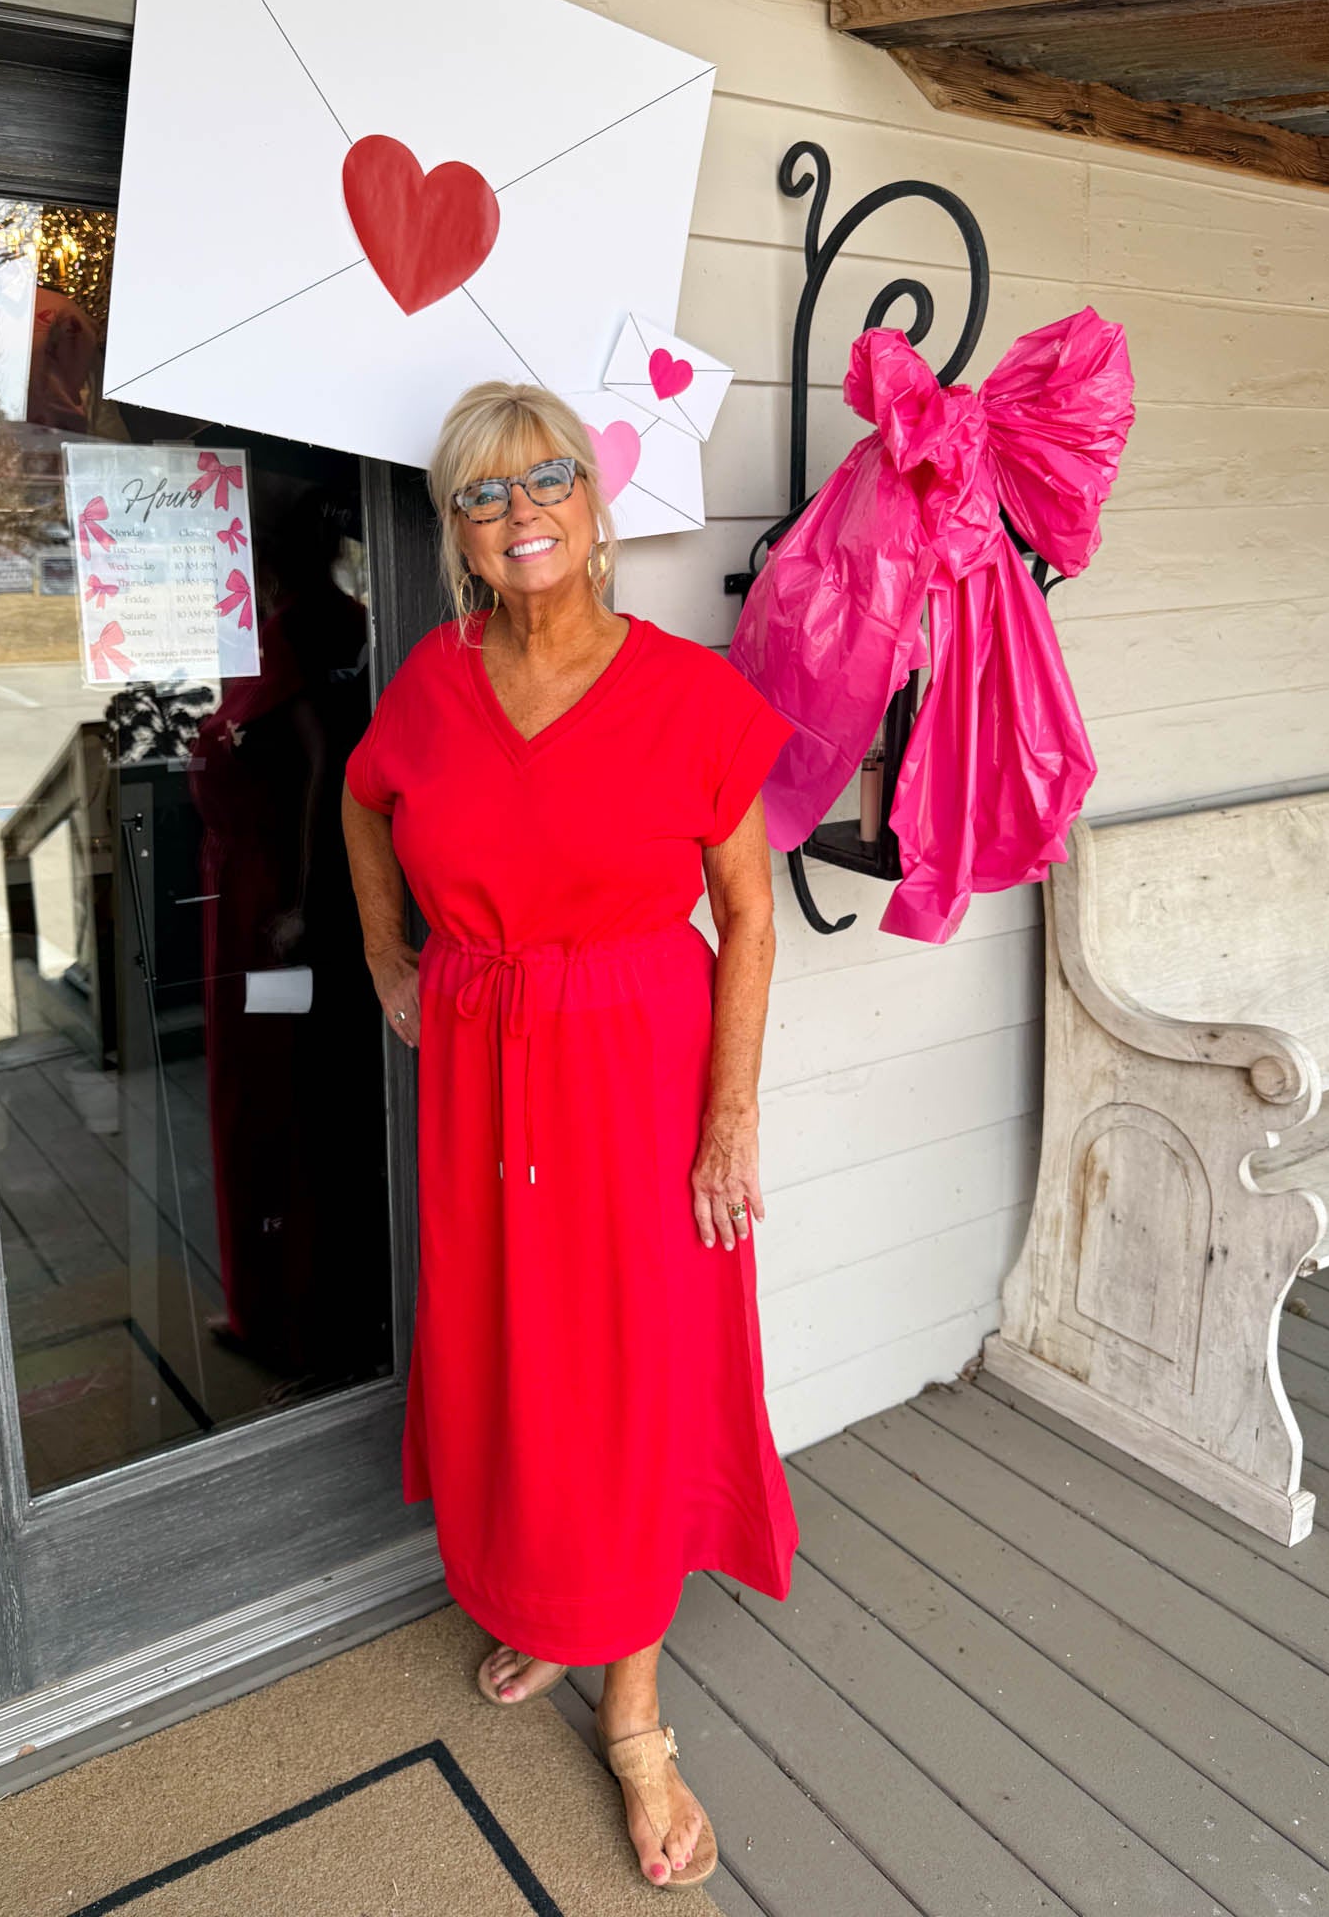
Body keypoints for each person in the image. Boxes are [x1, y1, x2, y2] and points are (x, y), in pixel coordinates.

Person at [340, 380, 800, 1892]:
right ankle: (552, 1600)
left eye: (546, 480)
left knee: (631, 1371)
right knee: (513, 1353)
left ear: (597, 511)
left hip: (640, 1074)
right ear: (458, 536)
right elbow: (362, 801)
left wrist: (728, 1116)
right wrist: (391, 962)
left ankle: (636, 1711)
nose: (519, 512)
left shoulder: (686, 693)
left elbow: (747, 917)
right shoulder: (432, 683)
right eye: (482, 494)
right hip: (483, 1069)